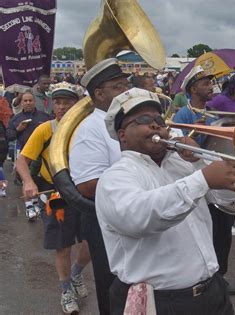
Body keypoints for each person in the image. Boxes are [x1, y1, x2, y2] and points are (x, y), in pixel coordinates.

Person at [96, 87, 235, 314]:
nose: (155, 125)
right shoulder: (115, 177)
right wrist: (202, 179)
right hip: (162, 303)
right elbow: (140, 217)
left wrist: (201, 160)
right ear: (122, 135)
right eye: (144, 119)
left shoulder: (184, 164)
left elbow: (229, 199)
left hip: (212, 292)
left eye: (159, 119)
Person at [15, 82, 91, 314]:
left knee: (92, 243)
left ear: (76, 105)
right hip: (55, 194)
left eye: (67, 102)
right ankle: (66, 290)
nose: (61, 106)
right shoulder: (45, 129)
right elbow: (21, 161)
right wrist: (28, 181)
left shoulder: (87, 128)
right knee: (63, 246)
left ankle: (76, 274)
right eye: (57, 102)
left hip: (84, 190)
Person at [69, 58, 129, 314]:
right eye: (118, 87)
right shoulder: (90, 130)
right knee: (114, 288)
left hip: (129, 215)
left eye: (126, 85)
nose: (126, 92)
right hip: (105, 221)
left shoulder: (125, 122)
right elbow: (87, 186)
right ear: (99, 94)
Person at [173, 65, 235, 295]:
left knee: (223, 232)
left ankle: (220, 275)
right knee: (205, 232)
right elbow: (180, 152)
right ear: (193, 89)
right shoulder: (183, 115)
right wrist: (197, 134)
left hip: (218, 180)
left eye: (210, 83)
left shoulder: (215, 113)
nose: (210, 87)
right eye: (205, 83)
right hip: (198, 181)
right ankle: (205, 277)